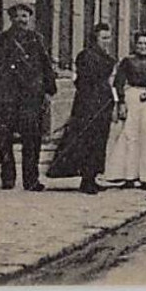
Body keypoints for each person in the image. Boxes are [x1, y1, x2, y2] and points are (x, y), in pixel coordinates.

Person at [0, 1, 57, 192]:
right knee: (4, 138)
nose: (21, 20)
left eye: (25, 16)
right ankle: (7, 178)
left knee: (32, 139)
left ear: (29, 18)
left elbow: (46, 66)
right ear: (11, 18)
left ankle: (31, 180)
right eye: (17, 16)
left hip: (31, 97)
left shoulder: (36, 39)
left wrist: (49, 91)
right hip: (6, 96)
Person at [47, 23, 117, 194]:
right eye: (103, 38)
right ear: (95, 39)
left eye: (109, 38)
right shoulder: (86, 56)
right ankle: (86, 179)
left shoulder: (105, 56)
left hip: (104, 102)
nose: (107, 41)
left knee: (99, 141)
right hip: (88, 103)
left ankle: (92, 176)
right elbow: (82, 81)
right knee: (86, 139)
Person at [107, 29, 146, 190]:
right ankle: (129, 176)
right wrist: (120, 102)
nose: (142, 46)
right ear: (135, 45)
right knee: (130, 135)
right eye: (140, 43)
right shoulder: (127, 61)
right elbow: (118, 83)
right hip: (132, 99)